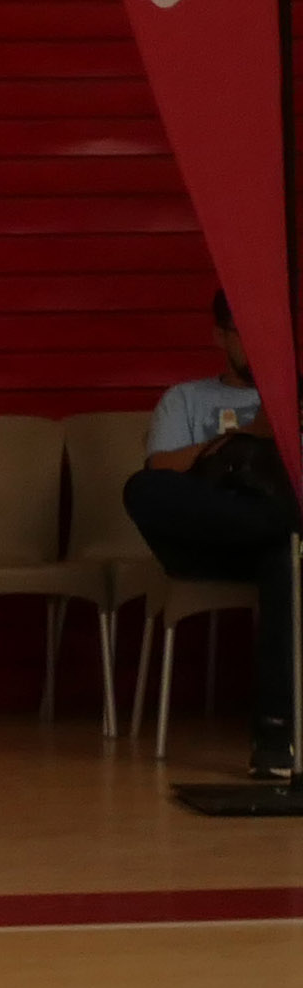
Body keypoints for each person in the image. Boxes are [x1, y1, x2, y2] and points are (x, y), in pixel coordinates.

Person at [123, 290, 296, 780]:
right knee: (142, 488)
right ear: (220, 335)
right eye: (246, 334)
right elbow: (163, 465)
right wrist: (243, 439)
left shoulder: (293, 399)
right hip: (209, 534)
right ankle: (284, 523)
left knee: (284, 558)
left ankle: (275, 739)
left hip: (274, 543)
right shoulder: (186, 398)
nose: (259, 346)